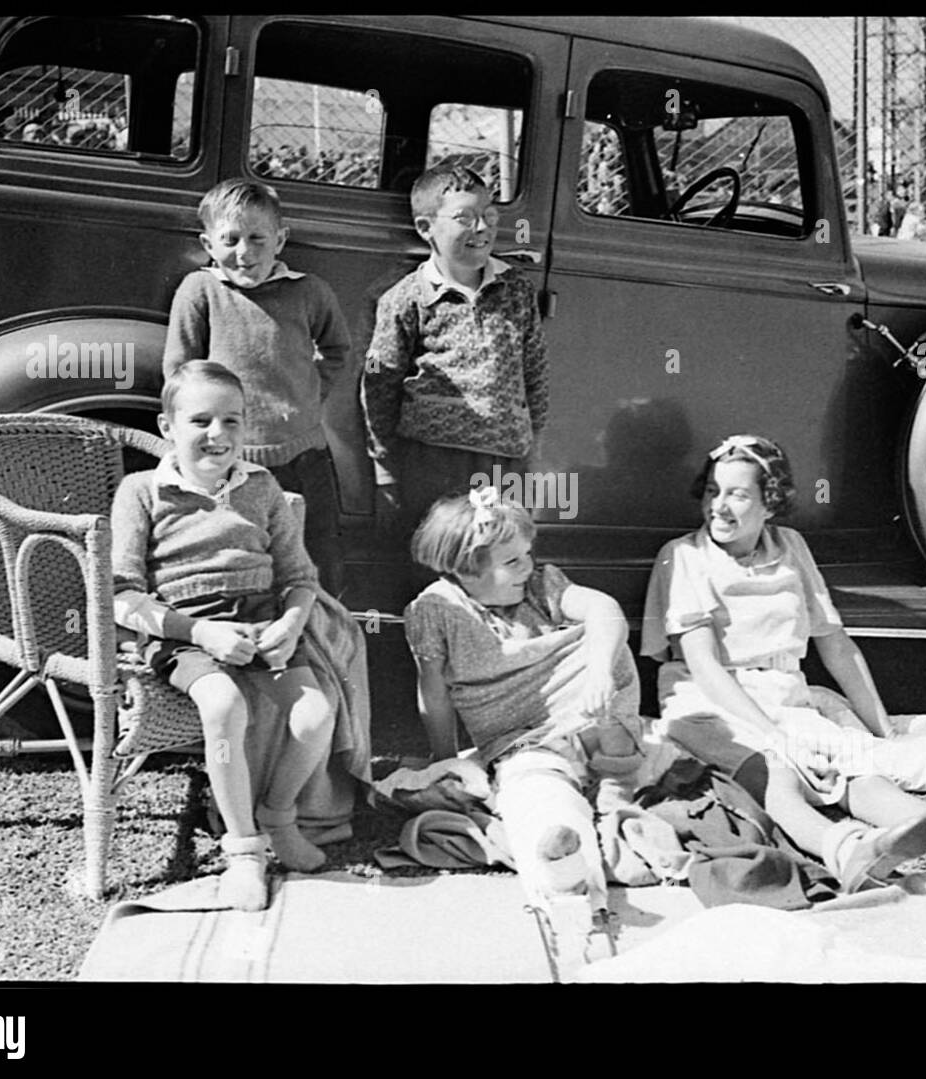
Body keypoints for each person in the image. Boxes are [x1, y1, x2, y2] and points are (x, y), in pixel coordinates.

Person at [642, 434, 926, 892]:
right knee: (776, 771)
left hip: (783, 695)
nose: (719, 506)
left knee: (852, 771)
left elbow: (835, 643)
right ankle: (845, 849)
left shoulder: (791, 547)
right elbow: (704, 665)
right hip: (710, 701)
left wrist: (883, 727)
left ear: (770, 503)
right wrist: (775, 736)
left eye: (737, 494)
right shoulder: (684, 556)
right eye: (712, 491)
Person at [111, 360, 338, 911]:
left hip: (263, 621)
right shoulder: (142, 491)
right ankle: (243, 853)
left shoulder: (262, 487)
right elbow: (122, 595)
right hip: (183, 629)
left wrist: (291, 622)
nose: (218, 435)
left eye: (232, 421)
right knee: (223, 704)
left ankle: (278, 816)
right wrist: (201, 633)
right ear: (168, 427)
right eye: (201, 420)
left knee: (315, 716)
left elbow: (300, 577)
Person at [403, 487, 645, 922]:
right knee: (536, 788)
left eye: (528, 554)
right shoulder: (435, 609)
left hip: (584, 710)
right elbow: (434, 692)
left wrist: (599, 672)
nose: (527, 566)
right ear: (468, 569)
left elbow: (604, 609)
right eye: (512, 561)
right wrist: (447, 762)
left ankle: (613, 781)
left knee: (606, 643)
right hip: (518, 736)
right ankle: (564, 859)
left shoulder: (540, 585)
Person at [164, 178, 351, 597]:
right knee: (237, 556)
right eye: (230, 239)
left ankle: (319, 641)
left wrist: (307, 394)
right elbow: (181, 369)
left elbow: (337, 348)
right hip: (230, 459)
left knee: (318, 556)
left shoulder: (308, 292)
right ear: (208, 243)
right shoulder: (201, 291)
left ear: (280, 240)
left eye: (257, 238)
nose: (244, 252)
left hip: (305, 455)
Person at [361, 163, 548, 546]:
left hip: (503, 458)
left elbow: (535, 371)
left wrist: (532, 445)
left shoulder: (516, 290)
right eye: (464, 218)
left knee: (496, 553)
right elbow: (379, 385)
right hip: (431, 461)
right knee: (435, 554)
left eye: (488, 216)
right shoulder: (406, 297)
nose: (481, 229)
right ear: (426, 228)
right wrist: (384, 465)